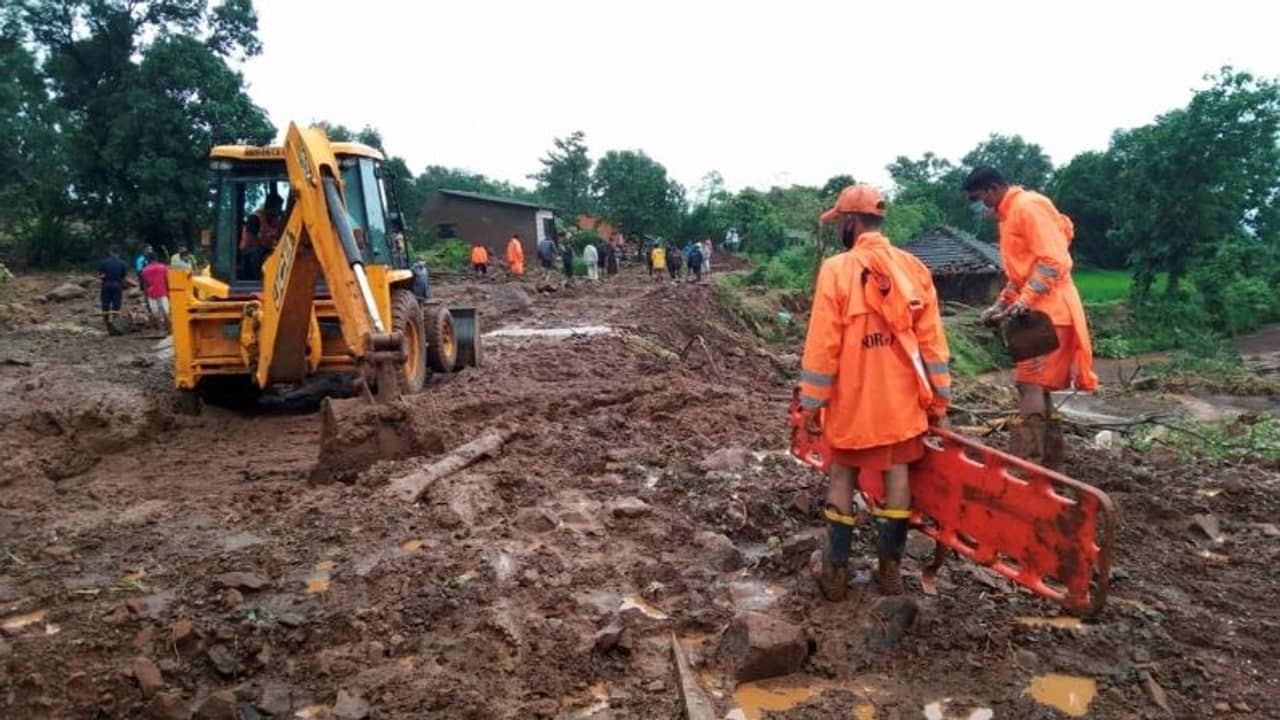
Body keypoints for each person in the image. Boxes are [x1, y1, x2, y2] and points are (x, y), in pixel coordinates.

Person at [800, 184, 952, 600]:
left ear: (850, 222)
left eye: (840, 223)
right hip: (902, 403)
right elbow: (933, 345)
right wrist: (940, 401)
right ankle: (890, 569)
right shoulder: (913, 268)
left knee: (842, 474)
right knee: (897, 473)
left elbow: (823, 344)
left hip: (852, 402)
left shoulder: (836, 270)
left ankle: (835, 574)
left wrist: (811, 404)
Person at [963, 167, 1098, 468]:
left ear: (992, 189)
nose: (977, 206)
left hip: (1050, 314)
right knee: (1038, 387)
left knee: (1029, 384)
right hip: (1039, 312)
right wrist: (1000, 305)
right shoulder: (1010, 216)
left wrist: (1024, 301)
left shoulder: (1028, 207)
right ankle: (1048, 464)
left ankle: (1028, 465)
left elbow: (1052, 262)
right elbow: (1020, 276)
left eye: (977, 198)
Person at [240, 193, 284, 280]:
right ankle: (259, 279)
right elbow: (250, 242)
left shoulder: (277, 220)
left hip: (266, 251)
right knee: (257, 253)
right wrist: (269, 251)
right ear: (269, 207)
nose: (278, 212)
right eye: (276, 209)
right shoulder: (255, 219)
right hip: (249, 253)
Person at [97, 247, 130, 335]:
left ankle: (106, 320)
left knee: (105, 302)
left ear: (110, 252)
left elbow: (100, 275)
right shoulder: (122, 263)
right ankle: (115, 320)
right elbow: (124, 277)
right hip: (117, 285)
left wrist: (104, 278)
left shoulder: (104, 262)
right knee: (116, 303)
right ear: (118, 253)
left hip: (106, 284)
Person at [139, 252, 172, 333]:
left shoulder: (144, 270)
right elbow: (167, 280)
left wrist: (146, 295)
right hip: (163, 291)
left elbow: (145, 284)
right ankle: (169, 329)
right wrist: (169, 291)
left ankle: (160, 330)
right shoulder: (163, 267)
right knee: (166, 311)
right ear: (156, 258)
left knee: (156, 313)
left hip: (151, 294)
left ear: (147, 260)